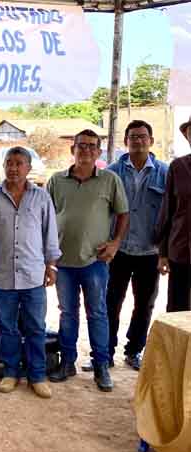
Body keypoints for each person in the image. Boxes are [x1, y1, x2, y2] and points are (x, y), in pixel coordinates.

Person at [46, 129, 129, 392]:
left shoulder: (110, 180)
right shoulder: (56, 181)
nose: (86, 150)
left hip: (95, 261)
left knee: (98, 314)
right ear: (73, 150)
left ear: (98, 151)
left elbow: (123, 214)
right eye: (81, 146)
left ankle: (101, 366)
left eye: (92, 146)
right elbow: (45, 217)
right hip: (63, 262)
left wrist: (115, 243)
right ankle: (67, 362)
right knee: (68, 314)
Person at [0, 147, 61, 398]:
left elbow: (50, 233)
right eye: (9, 163)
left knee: (36, 327)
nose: (13, 168)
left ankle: (37, 375)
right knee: (7, 328)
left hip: (34, 274)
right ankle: (11, 372)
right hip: (2, 275)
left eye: (19, 163)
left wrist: (51, 265)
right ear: (3, 167)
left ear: (28, 167)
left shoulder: (42, 197)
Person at [103, 120, 169, 371]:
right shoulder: (111, 173)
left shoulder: (165, 172)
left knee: (144, 304)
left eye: (143, 136)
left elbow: (171, 214)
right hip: (117, 250)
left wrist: (165, 251)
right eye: (133, 137)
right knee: (111, 302)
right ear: (126, 141)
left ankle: (134, 351)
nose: (138, 141)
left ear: (151, 141)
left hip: (150, 252)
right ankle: (105, 352)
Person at [156, 114, 191, 313]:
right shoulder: (177, 167)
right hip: (180, 251)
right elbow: (167, 210)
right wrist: (162, 253)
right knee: (178, 310)